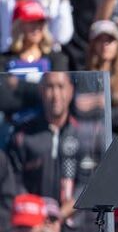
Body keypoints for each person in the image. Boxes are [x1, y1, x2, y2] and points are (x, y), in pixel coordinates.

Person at [7, 71, 77, 211]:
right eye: (50, 87)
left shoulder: (84, 133)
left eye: (60, 86)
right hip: (33, 221)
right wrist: (37, 211)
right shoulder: (23, 135)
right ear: (41, 91)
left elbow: (90, 180)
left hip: (76, 224)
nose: (56, 95)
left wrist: (67, 210)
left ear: (71, 90)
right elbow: (13, 181)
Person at [0, 0, 68, 75]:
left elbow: (58, 84)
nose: (36, 28)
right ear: (18, 26)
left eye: (40, 22)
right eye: (31, 22)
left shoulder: (57, 59)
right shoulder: (4, 60)